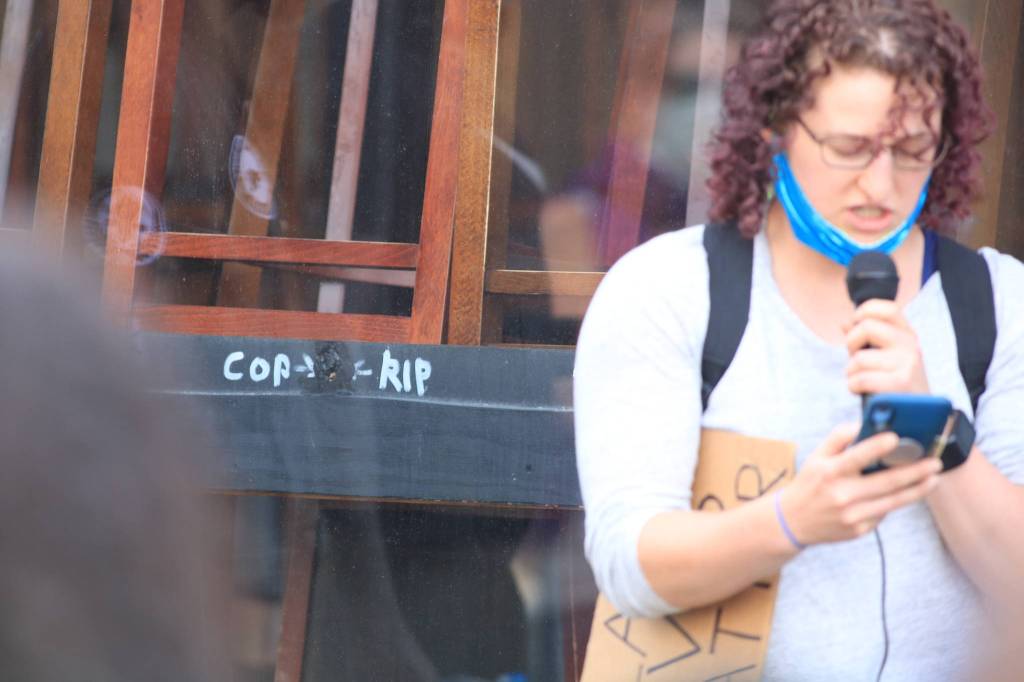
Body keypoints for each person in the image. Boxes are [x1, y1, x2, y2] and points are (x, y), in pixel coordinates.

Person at [573, 1, 1024, 680]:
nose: (881, 185)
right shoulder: (668, 289)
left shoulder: (998, 302)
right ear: (775, 129)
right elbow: (629, 563)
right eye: (849, 149)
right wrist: (791, 520)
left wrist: (937, 428)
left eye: (911, 153)